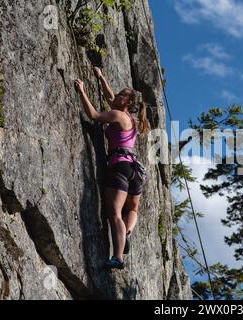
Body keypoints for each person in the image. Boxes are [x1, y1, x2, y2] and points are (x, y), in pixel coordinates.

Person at [75, 67, 151, 270]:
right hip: (135, 169)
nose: (115, 95)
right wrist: (101, 78)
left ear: (126, 102)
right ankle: (126, 232)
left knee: (114, 213)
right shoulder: (132, 119)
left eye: (120, 94)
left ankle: (118, 256)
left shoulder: (117, 115)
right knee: (132, 208)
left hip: (120, 166)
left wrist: (81, 90)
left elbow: (94, 115)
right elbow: (110, 98)